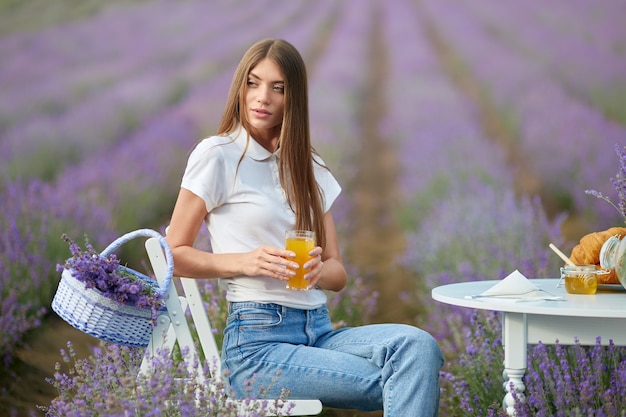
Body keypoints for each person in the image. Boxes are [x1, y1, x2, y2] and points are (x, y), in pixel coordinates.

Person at [166, 38, 443, 416]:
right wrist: (245, 262)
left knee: (419, 348)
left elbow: (337, 272)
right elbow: (174, 255)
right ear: (240, 87)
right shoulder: (217, 155)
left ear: (292, 98)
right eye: (253, 82)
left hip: (320, 331)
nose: (262, 97)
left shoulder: (308, 165)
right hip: (257, 345)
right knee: (405, 380)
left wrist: (316, 271)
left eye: (277, 88)